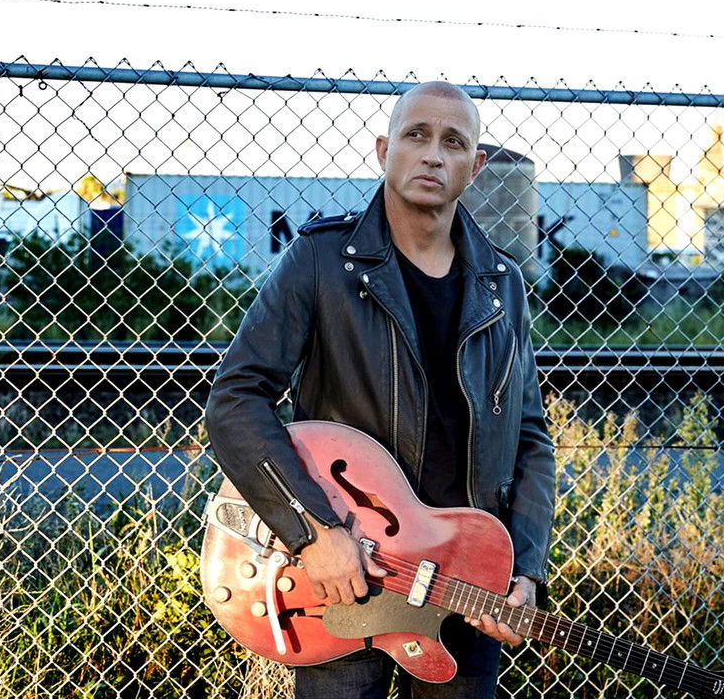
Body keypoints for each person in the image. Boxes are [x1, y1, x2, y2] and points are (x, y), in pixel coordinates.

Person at [203, 81, 557, 699]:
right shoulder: (321, 260)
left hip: (467, 581)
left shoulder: (502, 282)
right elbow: (235, 401)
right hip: (346, 576)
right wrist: (313, 532)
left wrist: (524, 570)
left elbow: (530, 438)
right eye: (416, 135)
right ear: (383, 150)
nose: (433, 155)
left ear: (475, 167)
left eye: (453, 143)